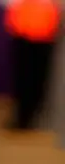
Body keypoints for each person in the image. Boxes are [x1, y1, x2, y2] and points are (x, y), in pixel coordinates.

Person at [5, 0, 61, 130]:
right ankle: (23, 117)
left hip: (43, 35)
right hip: (24, 34)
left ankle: (31, 117)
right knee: (24, 78)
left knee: (37, 79)